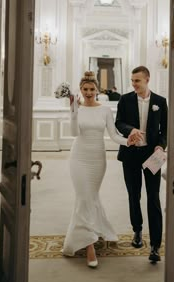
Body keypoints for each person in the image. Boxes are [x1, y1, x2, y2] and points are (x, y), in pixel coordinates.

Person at [62, 71, 135, 268]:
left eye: (91, 89)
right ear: (80, 89)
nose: (88, 92)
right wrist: (73, 111)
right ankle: (89, 245)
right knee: (84, 197)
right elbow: (73, 133)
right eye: (85, 89)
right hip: (78, 157)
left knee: (90, 197)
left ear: (97, 90)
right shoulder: (76, 107)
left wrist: (128, 141)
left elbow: (114, 135)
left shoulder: (104, 110)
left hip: (97, 159)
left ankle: (95, 229)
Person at [115, 66, 168, 263]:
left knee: (153, 198)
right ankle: (137, 230)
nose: (134, 84)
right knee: (133, 195)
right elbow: (118, 123)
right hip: (130, 155)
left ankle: (155, 244)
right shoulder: (125, 99)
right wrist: (131, 130)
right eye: (132, 80)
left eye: (137, 80)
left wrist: (160, 147)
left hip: (152, 156)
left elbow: (165, 130)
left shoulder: (160, 102)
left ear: (147, 79)